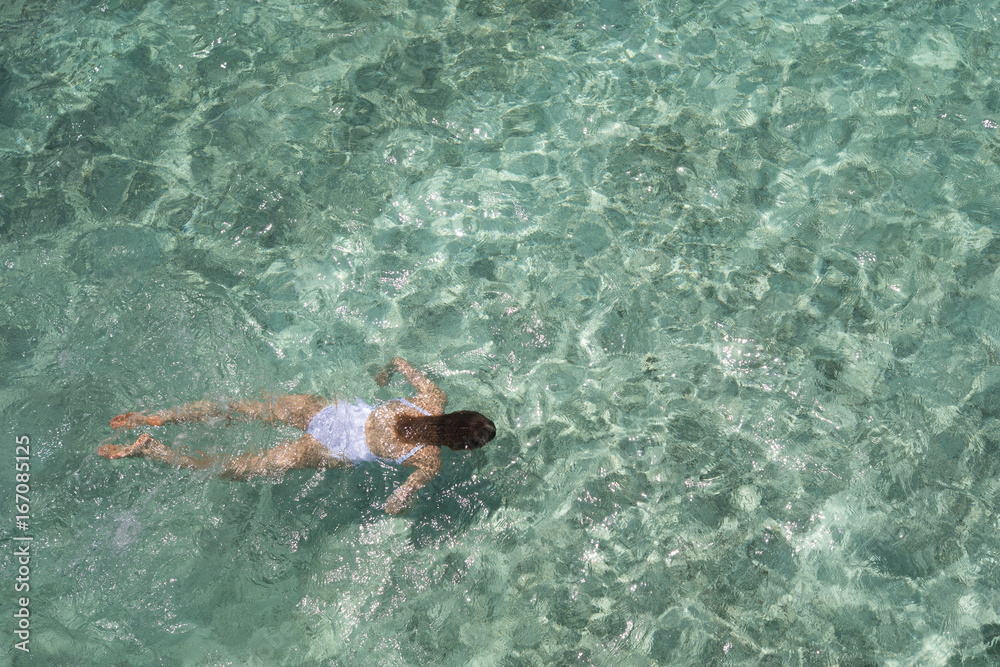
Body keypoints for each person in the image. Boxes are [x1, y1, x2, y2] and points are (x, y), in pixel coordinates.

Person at [97, 357, 497, 515]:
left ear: (461, 412)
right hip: (328, 447)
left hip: (324, 410)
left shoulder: (432, 397)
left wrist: (382, 374)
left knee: (237, 408)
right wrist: (402, 506)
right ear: (459, 446)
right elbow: (394, 504)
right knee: (242, 469)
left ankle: (155, 419)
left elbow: (396, 361)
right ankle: (154, 451)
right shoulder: (429, 460)